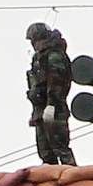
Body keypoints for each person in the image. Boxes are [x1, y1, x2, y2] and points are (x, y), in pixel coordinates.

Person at [25, 22, 77, 166]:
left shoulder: (54, 55)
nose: (33, 45)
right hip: (41, 110)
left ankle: (71, 179)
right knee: (45, 153)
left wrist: (52, 104)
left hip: (55, 110)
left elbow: (57, 82)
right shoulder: (38, 58)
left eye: (33, 41)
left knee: (60, 149)